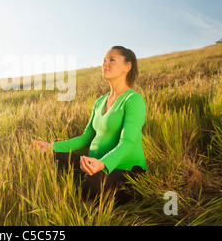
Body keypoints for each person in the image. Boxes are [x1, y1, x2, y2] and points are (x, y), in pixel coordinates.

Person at [32, 46, 147, 204]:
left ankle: (85, 189)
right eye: (104, 60)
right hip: (94, 164)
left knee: (94, 179)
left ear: (127, 67)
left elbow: (127, 142)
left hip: (125, 170)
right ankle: (83, 186)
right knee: (55, 158)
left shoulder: (133, 100)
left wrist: (103, 164)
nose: (105, 64)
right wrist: (51, 146)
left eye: (112, 60)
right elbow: (85, 138)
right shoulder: (100, 101)